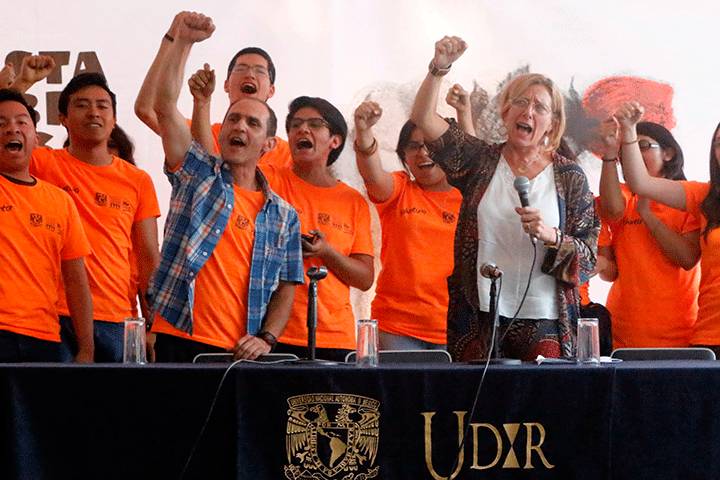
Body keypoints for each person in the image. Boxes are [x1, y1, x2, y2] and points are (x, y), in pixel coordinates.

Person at [410, 36, 599, 361]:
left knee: (543, 408)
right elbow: (424, 120)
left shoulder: (570, 177)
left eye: (539, 107)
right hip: (479, 312)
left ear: (552, 124)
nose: (528, 111)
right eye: (520, 102)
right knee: (477, 407)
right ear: (505, 110)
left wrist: (550, 236)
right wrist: (439, 69)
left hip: (546, 318)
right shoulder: (479, 160)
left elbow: (590, 258)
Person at [136, 11, 303, 362]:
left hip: (243, 352)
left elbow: (288, 284)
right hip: (178, 335)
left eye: (252, 122)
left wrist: (268, 338)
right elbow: (164, 106)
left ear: (269, 144)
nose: (239, 126)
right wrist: (182, 42)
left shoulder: (284, 215)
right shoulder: (198, 174)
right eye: (233, 119)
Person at [12, 56, 161, 363]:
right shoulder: (42, 162)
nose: (93, 112)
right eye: (81, 105)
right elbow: (8, 131)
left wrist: (153, 325)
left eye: (102, 105)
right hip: (57, 315)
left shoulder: (137, 180)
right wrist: (22, 84)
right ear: (63, 117)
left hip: (118, 318)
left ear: (114, 118)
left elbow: (148, 255)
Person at [252, 96, 374, 362]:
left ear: (335, 140)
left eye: (315, 124)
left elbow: (365, 278)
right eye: (295, 125)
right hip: (272, 334)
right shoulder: (267, 178)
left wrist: (326, 251)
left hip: (336, 336)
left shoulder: (353, 201)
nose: (302, 130)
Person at [353, 100, 461, 350]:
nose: (423, 153)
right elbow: (372, 175)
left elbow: (476, 163)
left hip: (455, 328)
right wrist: (363, 131)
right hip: (396, 327)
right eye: (414, 147)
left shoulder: (469, 198)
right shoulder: (400, 189)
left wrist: (464, 111)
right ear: (404, 157)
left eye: (432, 146)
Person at [615, 102, 720, 355]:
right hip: (711, 334)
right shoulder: (705, 196)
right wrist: (629, 132)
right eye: (718, 142)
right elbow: (641, 183)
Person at [0, 88, 93, 362]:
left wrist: (86, 349)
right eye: (1, 124)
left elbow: (76, 280)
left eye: (21, 122)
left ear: (36, 137)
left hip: (45, 338)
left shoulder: (60, 201)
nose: (11, 130)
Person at [597, 119, 700, 348]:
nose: (632, 153)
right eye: (627, 149)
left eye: (642, 145)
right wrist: (610, 155)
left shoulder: (688, 197)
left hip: (682, 334)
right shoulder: (624, 194)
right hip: (623, 335)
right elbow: (612, 210)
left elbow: (687, 259)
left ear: (669, 153)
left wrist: (650, 217)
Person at [134, 19, 291, 170]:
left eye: (259, 70)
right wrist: (174, 39)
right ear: (226, 85)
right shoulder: (201, 131)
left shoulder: (288, 155)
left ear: (271, 90)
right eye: (241, 68)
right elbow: (148, 109)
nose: (249, 74)